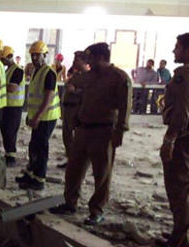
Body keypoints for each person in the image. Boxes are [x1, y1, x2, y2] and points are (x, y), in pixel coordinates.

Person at [50, 43, 132, 226]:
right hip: (83, 129)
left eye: (92, 59)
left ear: (102, 57)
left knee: (101, 174)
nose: (89, 62)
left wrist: (121, 130)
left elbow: (125, 107)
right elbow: (73, 84)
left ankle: (96, 210)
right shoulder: (89, 76)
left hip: (104, 131)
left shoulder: (119, 78)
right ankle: (70, 202)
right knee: (74, 169)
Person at [15, 40, 60, 191]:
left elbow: (48, 97)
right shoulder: (37, 71)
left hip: (46, 117)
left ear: (45, 55)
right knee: (33, 146)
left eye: (37, 55)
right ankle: (30, 174)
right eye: (33, 55)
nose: (34, 58)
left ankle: (39, 179)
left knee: (40, 148)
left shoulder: (49, 73)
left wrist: (37, 117)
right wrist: (31, 116)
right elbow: (35, 97)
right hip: (39, 117)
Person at [159, 33, 189, 247]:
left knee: (178, 188)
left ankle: (179, 238)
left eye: (177, 47)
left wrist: (170, 139)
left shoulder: (184, 75)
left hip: (183, 140)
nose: (174, 51)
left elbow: (182, 111)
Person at [58, 51, 89, 169]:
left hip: (77, 108)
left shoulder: (88, 77)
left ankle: (77, 161)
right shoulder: (76, 75)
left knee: (76, 137)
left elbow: (88, 93)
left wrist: (75, 91)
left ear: (84, 62)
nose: (74, 62)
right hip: (68, 107)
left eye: (77, 59)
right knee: (67, 136)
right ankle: (70, 158)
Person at [0, 46, 25, 167]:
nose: (2, 61)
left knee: (10, 131)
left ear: (10, 57)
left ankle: (11, 157)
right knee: (5, 131)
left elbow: (12, 88)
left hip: (14, 107)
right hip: (7, 105)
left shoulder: (18, 70)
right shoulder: (8, 70)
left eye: (3, 59)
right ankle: (8, 154)